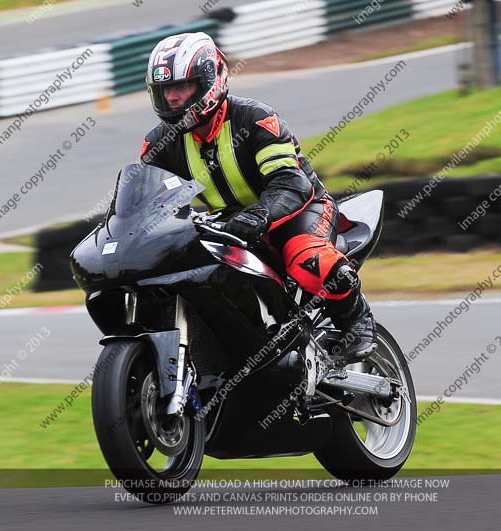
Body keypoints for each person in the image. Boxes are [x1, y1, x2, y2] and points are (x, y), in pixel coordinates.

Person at [138, 32, 376, 361]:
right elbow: (144, 201)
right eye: (165, 92)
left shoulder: (256, 119)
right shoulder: (159, 144)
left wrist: (260, 215)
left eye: (182, 88)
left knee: (308, 259)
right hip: (229, 223)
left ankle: (357, 319)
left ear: (212, 80)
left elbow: (290, 183)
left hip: (296, 210)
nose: (173, 99)